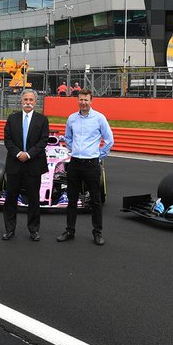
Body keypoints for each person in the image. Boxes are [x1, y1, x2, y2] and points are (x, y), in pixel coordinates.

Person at [57, 88, 114, 246]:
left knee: (95, 200)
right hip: (74, 163)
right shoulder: (72, 118)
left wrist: (99, 155)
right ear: (78, 100)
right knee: (72, 200)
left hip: (91, 164)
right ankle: (70, 230)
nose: (83, 102)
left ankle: (97, 233)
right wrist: (74, 149)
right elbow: (68, 138)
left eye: (86, 100)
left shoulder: (99, 118)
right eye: (80, 99)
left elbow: (109, 140)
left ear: (91, 101)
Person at [2, 89, 50, 241]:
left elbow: (43, 141)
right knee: (10, 199)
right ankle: (9, 229)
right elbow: (7, 140)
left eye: (31, 100)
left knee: (34, 200)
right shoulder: (12, 118)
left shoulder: (42, 120)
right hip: (14, 164)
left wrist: (28, 154)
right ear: (21, 101)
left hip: (33, 165)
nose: (28, 103)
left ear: (35, 102)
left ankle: (34, 230)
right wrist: (18, 154)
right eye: (25, 100)